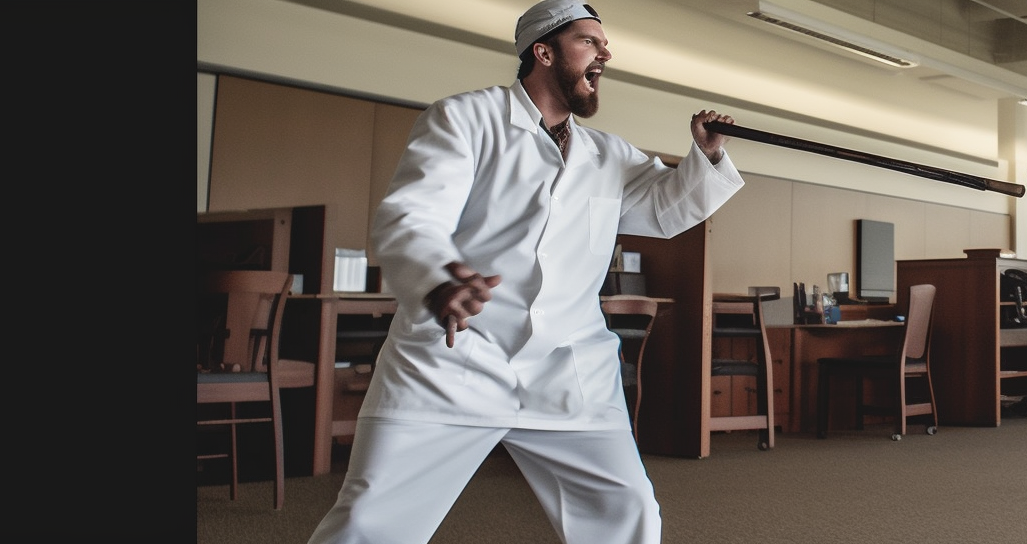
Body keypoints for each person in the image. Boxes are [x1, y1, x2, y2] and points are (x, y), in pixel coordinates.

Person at [307, 1, 746, 542]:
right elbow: (412, 215)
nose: (605, 52)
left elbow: (664, 209)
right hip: (454, 361)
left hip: (568, 368)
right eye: (589, 41)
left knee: (627, 513)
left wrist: (705, 155)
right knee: (370, 522)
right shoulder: (466, 119)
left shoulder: (607, 155)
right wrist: (439, 279)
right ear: (543, 51)